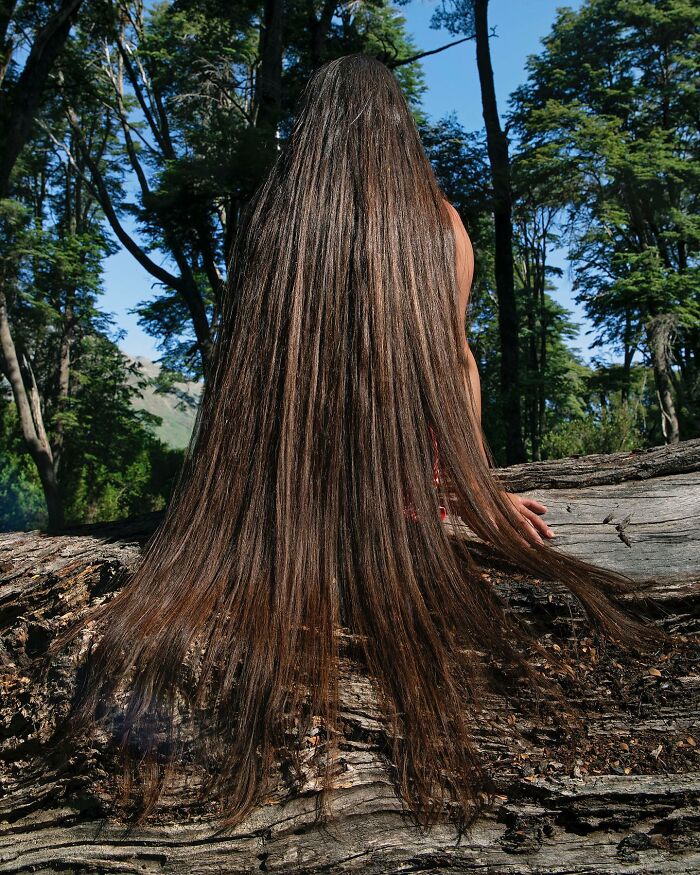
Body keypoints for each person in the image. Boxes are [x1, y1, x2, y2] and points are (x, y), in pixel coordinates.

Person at [52, 53, 662, 834]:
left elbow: (257, 384)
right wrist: (480, 491)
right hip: (400, 517)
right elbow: (456, 362)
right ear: (396, 126)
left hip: (282, 523)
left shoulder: (274, 220)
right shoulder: (440, 229)